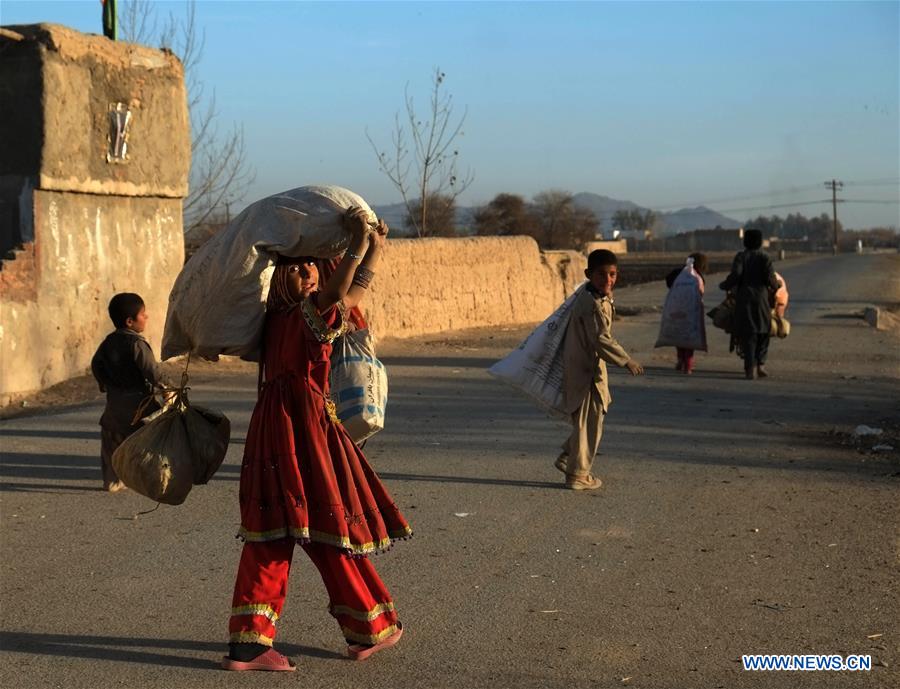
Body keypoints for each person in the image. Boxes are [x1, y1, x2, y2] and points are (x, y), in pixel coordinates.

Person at [224, 207, 412, 672]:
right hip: (303, 432)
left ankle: (364, 627)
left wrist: (373, 250)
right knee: (317, 526)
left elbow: (350, 293)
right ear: (280, 279)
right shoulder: (302, 316)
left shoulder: (281, 320)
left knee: (302, 530)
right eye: (299, 268)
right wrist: (357, 244)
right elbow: (338, 293)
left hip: (278, 428)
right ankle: (256, 645)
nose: (309, 273)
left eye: (312, 266)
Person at [554, 249, 644, 490]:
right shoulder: (591, 303)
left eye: (612, 274)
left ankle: (569, 458)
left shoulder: (594, 296)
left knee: (590, 420)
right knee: (590, 423)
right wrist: (626, 360)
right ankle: (578, 475)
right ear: (588, 274)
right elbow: (601, 339)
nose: (608, 280)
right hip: (587, 372)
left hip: (588, 368)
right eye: (602, 275)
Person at [90, 293, 171, 492]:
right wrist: (168, 387)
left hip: (115, 404)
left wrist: (104, 384)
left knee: (111, 441)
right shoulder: (137, 344)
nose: (147, 317)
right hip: (139, 405)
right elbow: (152, 371)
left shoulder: (108, 342)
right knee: (150, 440)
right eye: (143, 314)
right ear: (130, 321)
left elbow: (96, 364)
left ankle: (112, 481)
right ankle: (150, 479)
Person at [719, 229, 781, 379]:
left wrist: (725, 285)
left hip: (744, 300)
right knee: (764, 331)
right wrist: (776, 285)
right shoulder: (765, 258)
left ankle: (749, 368)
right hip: (761, 301)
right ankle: (761, 365)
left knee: (748, 335)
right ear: (760, 242)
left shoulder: (741, 257)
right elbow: (770, 279)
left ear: (745, 241)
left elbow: (736, 275)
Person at [663, 253, 709, 374]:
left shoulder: (679, 273)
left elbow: (668, 281)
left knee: (679, 336)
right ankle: (688, 365)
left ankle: (680, 360)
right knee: (689, 338)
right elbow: (701, 292)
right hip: (691, 312)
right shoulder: (698, 276)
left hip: (676, 310)